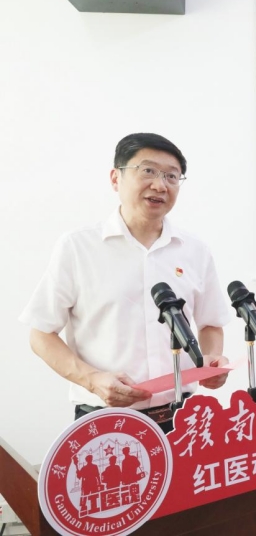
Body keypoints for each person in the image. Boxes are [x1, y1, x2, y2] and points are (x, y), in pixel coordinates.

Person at [20, 133, 231, 434]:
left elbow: (210, 324)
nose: (160, 185)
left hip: (183, 418)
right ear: (115, 178)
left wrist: (209, 361)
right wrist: (92, 379)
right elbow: (41, 334)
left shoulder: (195, 251)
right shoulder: (78, 247)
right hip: (105, 419)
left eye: (171, 176)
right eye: (148, 171)